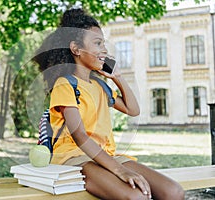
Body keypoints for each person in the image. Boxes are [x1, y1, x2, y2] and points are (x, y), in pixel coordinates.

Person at [33, 8, 184, 200]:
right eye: (97, 43)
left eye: (103, 43)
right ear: (76, 49)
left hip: (105, 156)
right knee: (136, 197)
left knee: (174, 192)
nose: (104, 49)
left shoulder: (99, 86)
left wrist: (118, 76)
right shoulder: (65, 84)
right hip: (74, 158)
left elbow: (133, 110)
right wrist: (119, 171)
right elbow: (79, 136)